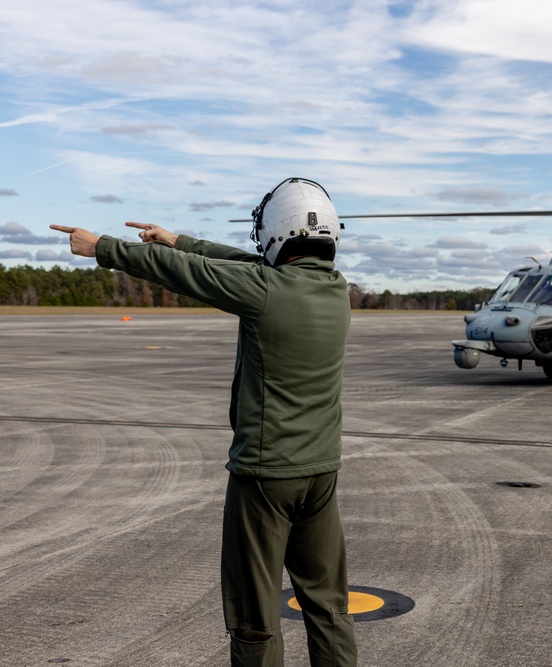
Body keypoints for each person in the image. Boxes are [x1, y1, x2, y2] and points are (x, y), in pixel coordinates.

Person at [52, 177, 358, 667]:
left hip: (264, 476)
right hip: (321, 473)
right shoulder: (336, 290)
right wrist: (182, 240)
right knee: (328, 605)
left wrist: (102, 247)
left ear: (277, 233)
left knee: (254, 616)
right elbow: (247, 266)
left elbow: (182, 274)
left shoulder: (263, 290)